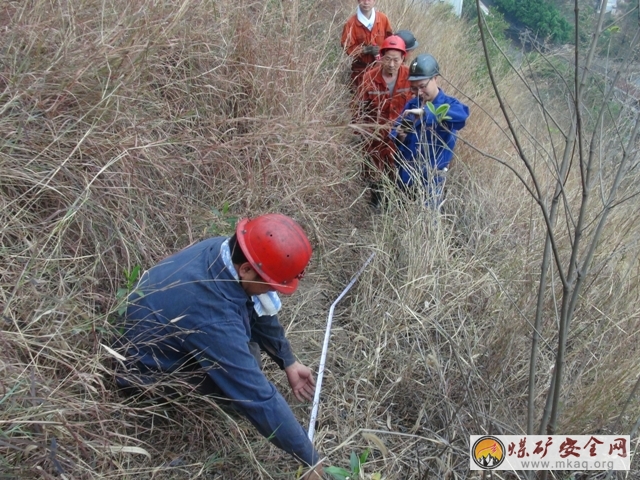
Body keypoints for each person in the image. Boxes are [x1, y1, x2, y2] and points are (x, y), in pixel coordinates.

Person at [115, 213, 323, 479]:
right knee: (248, 366)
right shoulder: (213, 317)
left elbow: (261, 307)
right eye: (269, 284)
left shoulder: (224, 250)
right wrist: (310, 459)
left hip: (155, 328)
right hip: (141, 370)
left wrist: (288, 361)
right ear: (246, 268)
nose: (272, 292)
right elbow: (258, 397)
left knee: (248, 343)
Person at [390, 54, 470, 208]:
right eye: (414, 88)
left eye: (422, 86)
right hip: (405, 176)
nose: (419, 92)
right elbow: (396, 133)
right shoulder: (412, 104)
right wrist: (400, 135)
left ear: (435, 79)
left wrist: (427, 113)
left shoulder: (449, 104)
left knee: (427, 225)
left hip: (431, 182)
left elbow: (462, 116)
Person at [357, 35, 412, 210]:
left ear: (403, 58)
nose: (391, 64)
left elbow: (420, 102)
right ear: (381, 57)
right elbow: (359, 107)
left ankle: (393, 203)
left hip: (400, 136)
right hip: (375, 135)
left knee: (397, 170)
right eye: (387, 59)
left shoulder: (410, 77)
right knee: (374, 170)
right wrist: (359, 132)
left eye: (396, 60)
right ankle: (375, 202)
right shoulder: (369, 77)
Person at [341, 0, 393, 89]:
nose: (366, 2)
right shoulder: (351, 23)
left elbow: (390, 41)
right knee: (360, 99)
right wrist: (365, 50)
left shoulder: (383, 19)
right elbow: (347, 48)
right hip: (361, 70)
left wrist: (382, 52)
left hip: (381, 68)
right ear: (358, 1)